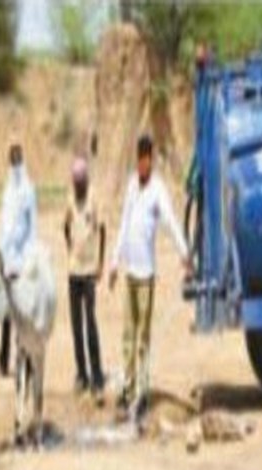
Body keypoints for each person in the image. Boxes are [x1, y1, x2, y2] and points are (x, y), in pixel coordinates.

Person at [109, 135, 191, 421]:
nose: (142, 164)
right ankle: (128, 387)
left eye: (146, 158)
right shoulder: (133, 185)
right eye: (139, 158)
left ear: (151, 160)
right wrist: (113, 262)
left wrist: (184, 252)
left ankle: (142, 391)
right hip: (130, 272)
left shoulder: (158, 190)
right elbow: (123, 225)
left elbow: (169, 222)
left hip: (146, 276)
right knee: (128, 335)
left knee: (143, 337)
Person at [63, 157, 106, 404]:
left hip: (90, 270)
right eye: (75, 183)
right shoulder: (70, 199)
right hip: (73, 271)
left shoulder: (94, 198)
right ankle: (82, 374)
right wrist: (70, 250)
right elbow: (65, 226)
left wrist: (100, 262)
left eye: (81, 183)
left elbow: (102, 230)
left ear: (86, 181)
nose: (78, 187)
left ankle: (97, 377)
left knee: (90, 323)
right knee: (76, 325)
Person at [0, 138, 38, 376]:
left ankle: (28, 360)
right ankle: (3, 360)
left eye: (16, 159)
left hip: (22, 259)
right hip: (7, 259)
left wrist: (29, 258)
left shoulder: (27, 190)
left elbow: (32, 227)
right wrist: (0, 252)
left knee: (25, 314)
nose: (13, 164)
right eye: (11, 160)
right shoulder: (8, 190)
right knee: (7, 313)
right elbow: (4, 224)